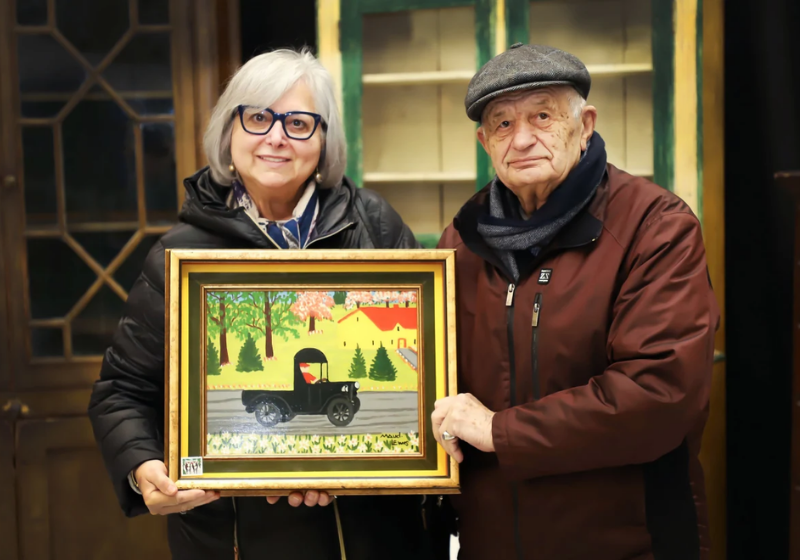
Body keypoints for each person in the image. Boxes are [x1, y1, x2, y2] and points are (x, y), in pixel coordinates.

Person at [88, 48, 443, 560]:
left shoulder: (376, 226)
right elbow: (121, 390)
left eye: (298, 122)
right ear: (229, 133)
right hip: (233, 539)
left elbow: (429, 364)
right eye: (257, 118)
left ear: (323, 141)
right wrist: (144, 468)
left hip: (371, 537)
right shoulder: (179, 255)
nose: (276, 137)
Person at [432, 43, 720, 560]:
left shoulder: (654, 227)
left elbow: (657, 394)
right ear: (484, 142)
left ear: (584, 124)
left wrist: (500, 431)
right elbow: (431, 383)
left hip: (628, 542)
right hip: (491, 542)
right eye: (502, 124)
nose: (521, 139)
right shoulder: (460, 240)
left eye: (542, 116)